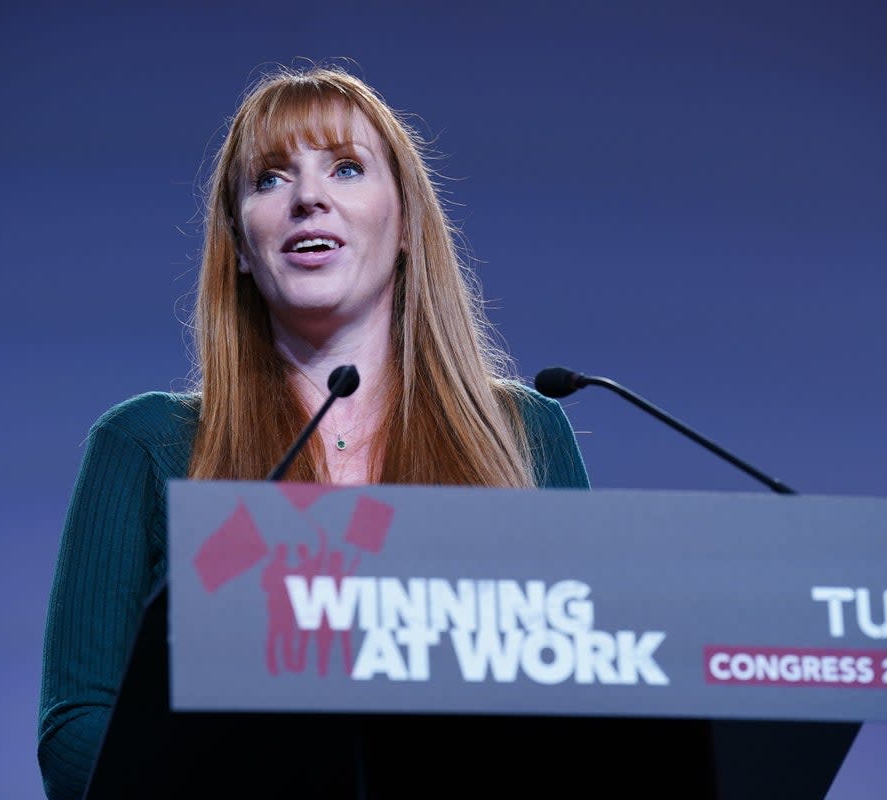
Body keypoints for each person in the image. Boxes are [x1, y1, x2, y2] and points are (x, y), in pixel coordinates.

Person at [36, 63, 590, 800]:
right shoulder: (145, 446)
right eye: (269, 179)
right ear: (238, 244)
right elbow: (78, 733)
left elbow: (591, 708)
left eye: (347, 168)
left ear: (404, 226)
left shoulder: (524, 434)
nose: (307, 198)